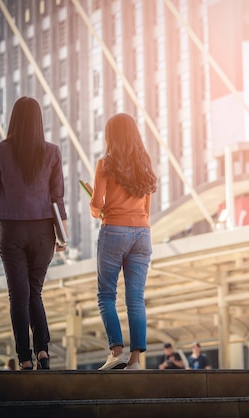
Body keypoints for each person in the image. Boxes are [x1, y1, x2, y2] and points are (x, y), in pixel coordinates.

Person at [0, 96, 67, 371]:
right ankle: (43, 352)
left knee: (18, 296)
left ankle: (25, 358)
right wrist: (62, 233)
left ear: (13, 119)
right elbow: (57, 196)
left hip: (12, 231)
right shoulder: (52, 152)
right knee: (35, 294)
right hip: (43, 232)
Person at [91, 113, 157, 371]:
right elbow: (147, 210)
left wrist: (98, 208)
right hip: (142, 233)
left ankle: (116, 352)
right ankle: (136, 360)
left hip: (113, 232)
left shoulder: (105, 165)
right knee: (135, 299)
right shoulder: (146, 164)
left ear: (111, 137)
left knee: (106, 294)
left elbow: (97, 207)